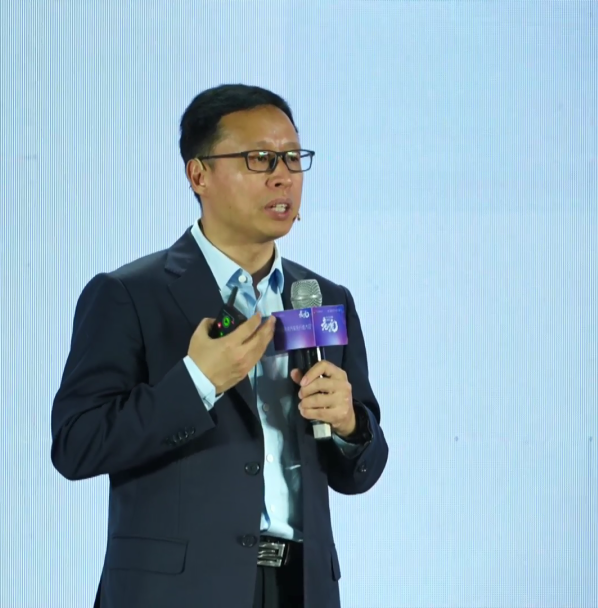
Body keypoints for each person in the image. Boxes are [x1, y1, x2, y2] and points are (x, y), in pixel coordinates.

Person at [50, 83, 388, 608]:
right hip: (177, 593)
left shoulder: (323, 298)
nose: (283, 175)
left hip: (301, 589)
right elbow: (77, 444)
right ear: (198, 175)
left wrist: (349, 426)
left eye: (293, 158)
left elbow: (362, 468)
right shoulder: (129, 295)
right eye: (259, 159)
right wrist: (197, 382)